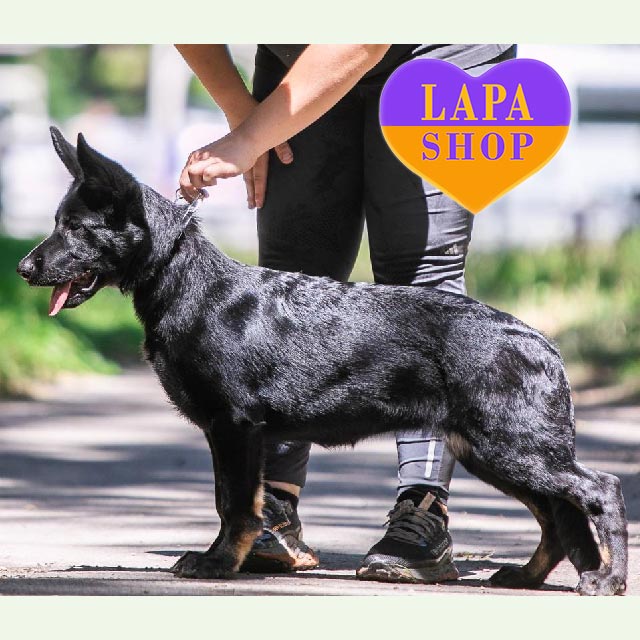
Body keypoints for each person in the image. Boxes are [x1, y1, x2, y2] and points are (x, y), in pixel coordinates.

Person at [175, 43, 516, 583]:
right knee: (292, 278)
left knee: (421, 278)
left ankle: (423, 510)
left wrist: (247, 139)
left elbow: (364, 35)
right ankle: (271, 507)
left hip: (440, 50)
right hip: (297, 56)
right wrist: (244, 115)